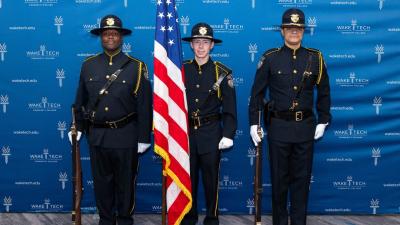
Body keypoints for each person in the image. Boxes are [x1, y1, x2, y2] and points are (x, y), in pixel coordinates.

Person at [249, 8, 331, 225]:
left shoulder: (315, 58)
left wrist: (323, 120)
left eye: (298, 28)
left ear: (303, 31)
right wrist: (253, 124)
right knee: (279, 182)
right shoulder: (270, 58)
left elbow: (324, 92)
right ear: (282, 31)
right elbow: (256, 95)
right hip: (278, 128)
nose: (294, 32)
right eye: (290, 28)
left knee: (301, 182)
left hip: (305, 128)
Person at [68, 15, 152, 225]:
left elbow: (144, 105)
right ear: (101, 37)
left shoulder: (137, 67)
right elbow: (80, 100)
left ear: (121, 37)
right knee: (102, 183)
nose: (110, 37)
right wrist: (77, 127)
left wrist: (143, 137)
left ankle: (124, 220)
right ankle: (106, 220)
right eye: (106, 34)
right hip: (97, 136)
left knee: (125, 183)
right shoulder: (88, 65)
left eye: (115, 33)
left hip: (126, 135)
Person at [180, 22, 237, 225]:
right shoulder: (181, 70)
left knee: (211, 180)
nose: (201, 46)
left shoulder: (222, 72)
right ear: (191, 45)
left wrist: (228, 134)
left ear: (212, 45)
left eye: (205, 42)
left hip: (211, 132)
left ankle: (212, 217)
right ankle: (189, 215)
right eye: (197, 42)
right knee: (188, 179)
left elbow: (230, 109)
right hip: (185, 132)